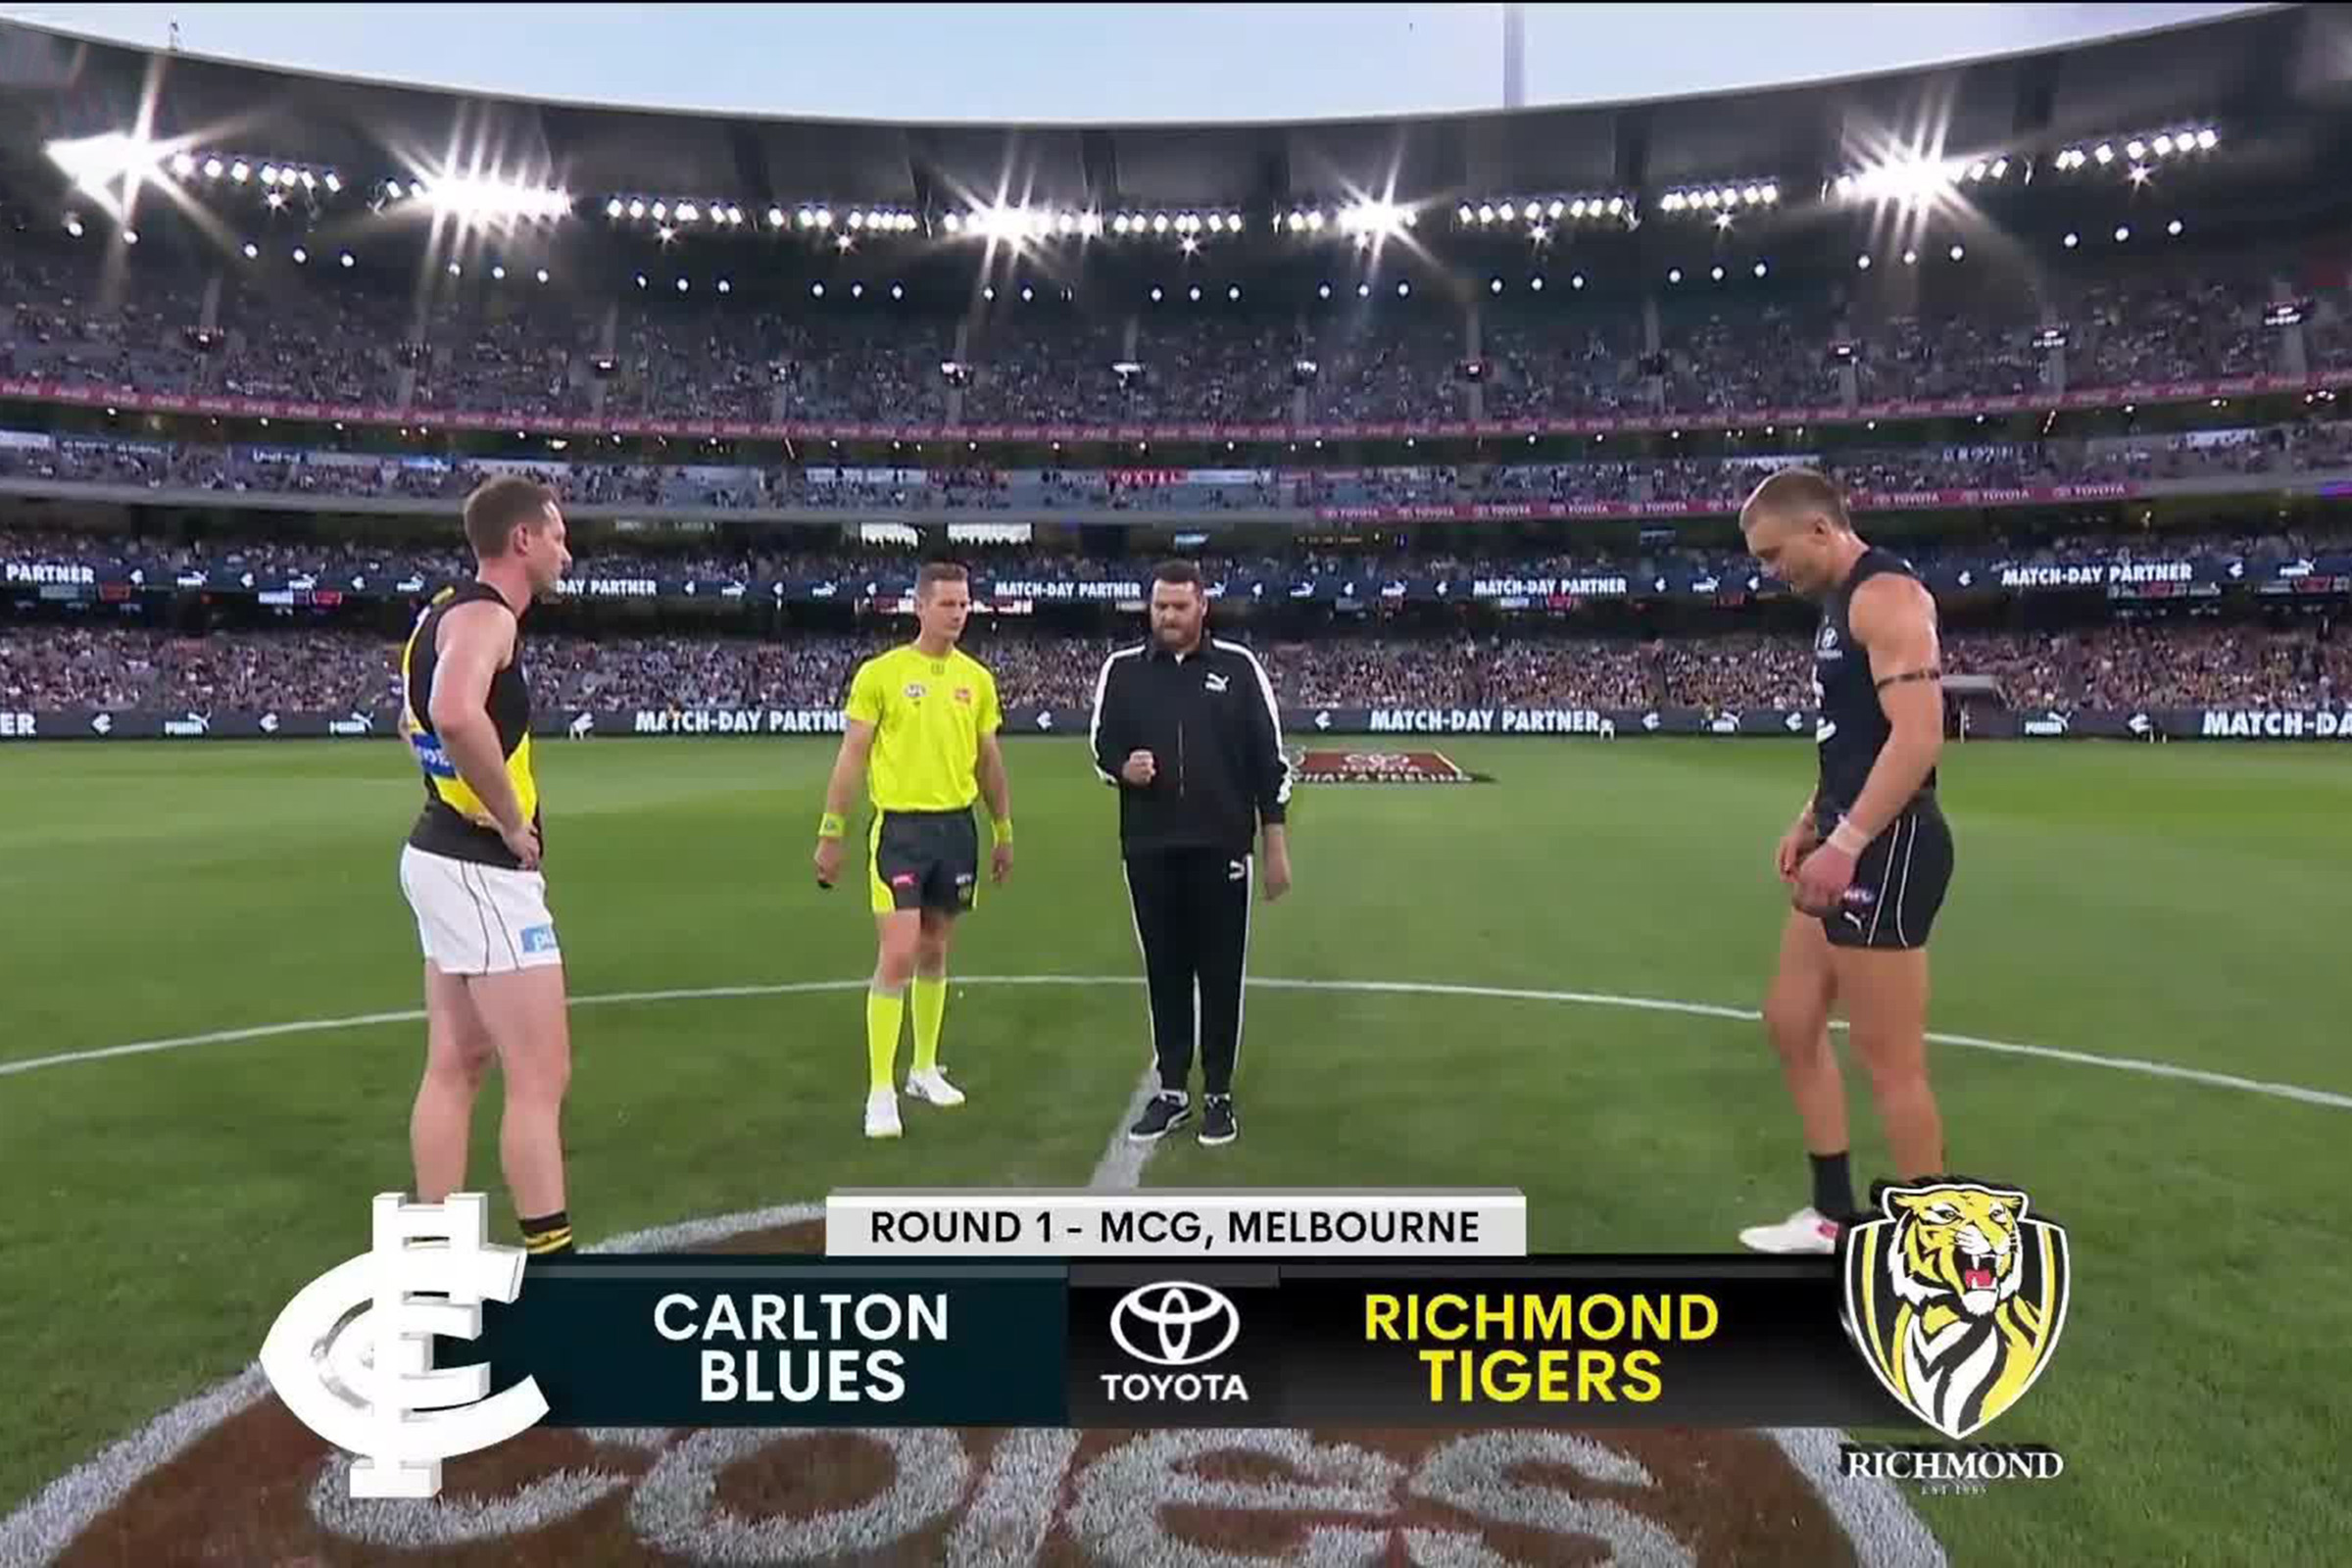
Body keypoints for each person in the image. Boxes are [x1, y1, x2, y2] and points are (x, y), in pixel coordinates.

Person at [1734, 467, 1955, 1254]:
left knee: (1889, 1061)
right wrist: (1809, 820)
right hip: (1844, 833)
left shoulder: (1887, 597)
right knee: (1792, 1022)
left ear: (1820, 530)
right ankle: (1833, 1215)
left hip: (1888, 847)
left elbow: (1919, 737)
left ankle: (1938, 1253)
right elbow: (1852, 741)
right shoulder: (1835, 607)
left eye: (1773, 553)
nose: (1769, 571)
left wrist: (1847, 844)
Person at [396, 475, 577, 1260]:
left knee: (457, 1063)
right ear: (523, 540)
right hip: (480, 869)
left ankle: (433, 1258)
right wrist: (509, 818)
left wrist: (455, 785)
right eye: (559, 534)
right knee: (540, 1078)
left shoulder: (439, 611)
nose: (567, 550)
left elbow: (407, 720)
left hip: (437, 854)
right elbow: (452, 711)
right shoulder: (486, 616)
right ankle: (555, 1261)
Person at [1088, 560, 1294, 1147]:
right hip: (1150, 847)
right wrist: (1123, 768)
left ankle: (1220, 1094)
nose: (1168, 617)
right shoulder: (1122, 671)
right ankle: (1173, 1090)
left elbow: (1268, 761)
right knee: (1165, 971)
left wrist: (1273, 840)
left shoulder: (1237, 667)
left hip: (1221, 846)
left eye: (1179, 606)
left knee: (1221, 973)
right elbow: (1102, 744)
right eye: (1159, 607)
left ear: (1202, 606)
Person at [813, 562, 1013, 1139]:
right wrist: (833, 829)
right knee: (898, 952)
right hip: (900, 830)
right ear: (920, 606)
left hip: (957, 828)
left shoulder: (976, 679)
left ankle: (924, 1068)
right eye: (947, 603)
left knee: (936, 949)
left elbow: (989, 760)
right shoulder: (882, 674)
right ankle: (880, 1087)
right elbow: (853, 754)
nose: (958, 613)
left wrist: (1003, 830)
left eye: (964, 603)